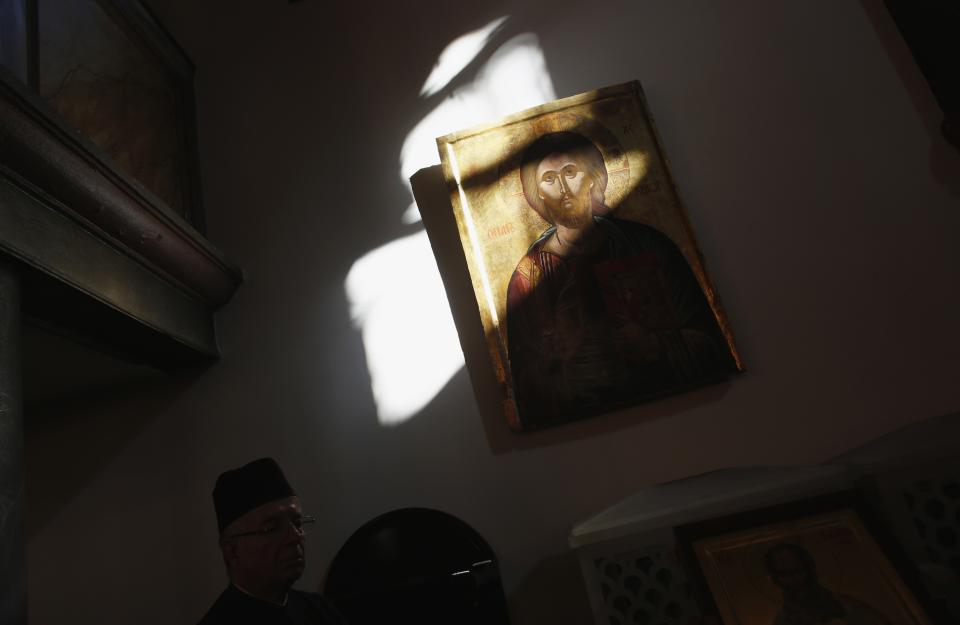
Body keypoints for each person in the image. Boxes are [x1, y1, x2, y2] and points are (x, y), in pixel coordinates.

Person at [506, 131, 734, 428]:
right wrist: (565, 363)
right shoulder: (528, 278)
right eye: (549, 179)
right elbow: (526, 386)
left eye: (570, 172)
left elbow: (712, 343)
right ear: (537, 194)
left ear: (593, 178)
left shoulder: (649, 245)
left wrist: (655, 344)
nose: (562, 188)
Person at [197, 458, 345, 625]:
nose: (296, 537)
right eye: (272, 529)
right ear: (233, 551)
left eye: (297, 523)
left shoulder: (319, 610)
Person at [765, 543, 892, 625]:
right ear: (775, 578)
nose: (793, 579)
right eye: (783, 575)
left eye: (797, 571)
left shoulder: (843, 604)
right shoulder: (782, 620)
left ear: (809, 570)